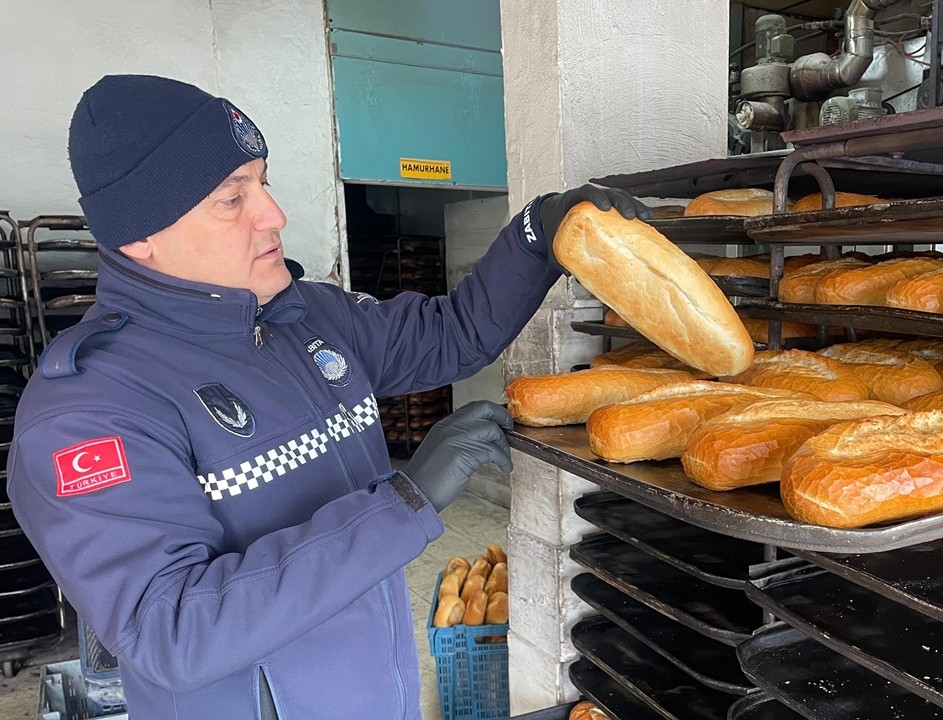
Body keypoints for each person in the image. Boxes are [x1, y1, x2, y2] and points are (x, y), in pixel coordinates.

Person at [7, 74, 650, 720]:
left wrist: (537, 234)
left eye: (263, 181)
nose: (274, 214)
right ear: (141, 238)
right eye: (233, 199)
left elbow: (453, 335)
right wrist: (404, 502)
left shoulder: (303, 318)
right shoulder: (90, 409)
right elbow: (173, 631)